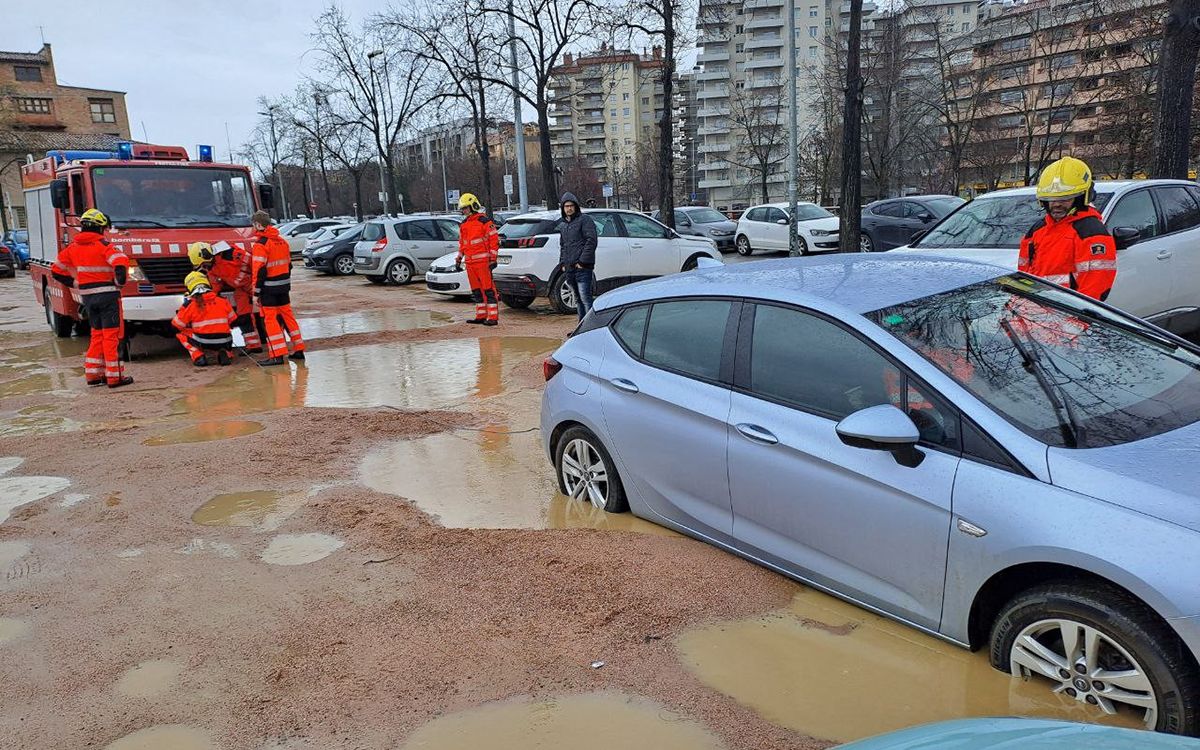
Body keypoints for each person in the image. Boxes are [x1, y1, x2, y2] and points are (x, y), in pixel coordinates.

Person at [50, 208, 133, 388]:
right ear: (99, 227)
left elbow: (56, 270)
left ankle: (93, 375)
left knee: (97, 335)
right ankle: (114, 377)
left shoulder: (72, 247)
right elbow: (120, 262)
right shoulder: (104, 246)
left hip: (88, 297)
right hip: (108, 296)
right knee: (111, 336)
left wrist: (75, 283)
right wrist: (119, 282)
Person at [1019, 156, 1116, 302]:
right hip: (1036, 310)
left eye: (1064, 199)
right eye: (1052, 199)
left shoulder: (1091, 232)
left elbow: (1095, 287)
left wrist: (1078, 316)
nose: (1056, 204)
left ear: (1081, 198)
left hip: (1068, 312)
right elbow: (1023, 275)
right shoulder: (1037, 230)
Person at [250, 210, 305, 365]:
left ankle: (277, 355)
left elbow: (259, 271)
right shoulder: (282, 242)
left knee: (270, 321)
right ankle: (299, 349)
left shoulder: (261, 245)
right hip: (283, 288)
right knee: (288, 317)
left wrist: (255, 293)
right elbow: (289, 265)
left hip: (268, 290)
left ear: (258, 225)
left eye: (254, 224)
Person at [202, 240, 263, 353]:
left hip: (255, 285)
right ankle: (253, 346)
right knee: (244, 317)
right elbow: (215, 286)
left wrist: (260, 282)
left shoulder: (234, 254)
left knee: (271, 312)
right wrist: (209, 299)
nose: (206, 266)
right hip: (241, 290)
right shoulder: (212, 268)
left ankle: (277, 343)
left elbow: (255, 264)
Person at [172, 271, 236, 367]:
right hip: (225, 341)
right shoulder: (222, 300)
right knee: (224, 331)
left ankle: (198, 357)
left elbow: (177, 325)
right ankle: (226, 353)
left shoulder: (190, 304)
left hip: (203, 342)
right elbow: (233, 321)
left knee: (181, 334)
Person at [455, 192, 500, 326]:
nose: (464, 211)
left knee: (488, 289)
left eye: (466, 208)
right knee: (476, 290)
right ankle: (481, 315)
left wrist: (493, 259)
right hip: (470, 263)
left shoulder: (484, 222)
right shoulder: (463, 224)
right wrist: (459, 258)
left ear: (473, 206)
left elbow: (494, 240)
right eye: (462, 209)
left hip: (483, 262)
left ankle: (492, 317)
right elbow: (462, 243)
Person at [557, 192, 598, 320]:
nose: (569, 208)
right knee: (578, 299)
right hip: (570, 268)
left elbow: (591, 240)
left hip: (583, 267)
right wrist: (562, 263)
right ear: (563, 208)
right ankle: (581, 328)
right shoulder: (564, 225)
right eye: (566, 206)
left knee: (585, 298)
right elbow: (563, 245)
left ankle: (592, 327)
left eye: (571, 205)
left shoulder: (584, 220)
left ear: (576, 206)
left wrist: (582, 262)